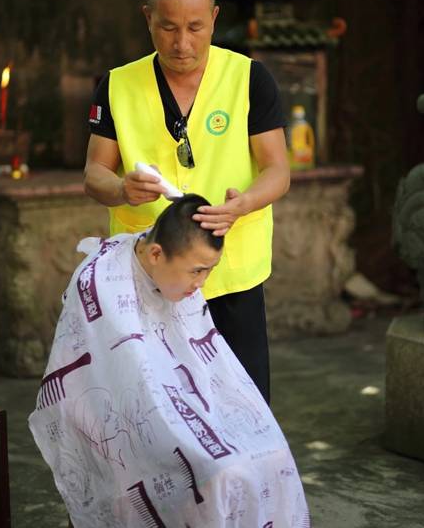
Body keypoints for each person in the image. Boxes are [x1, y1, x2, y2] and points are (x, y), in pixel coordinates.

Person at [29, 196, 310, 528]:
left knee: (273, 452)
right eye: (197, 271)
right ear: (156, 254)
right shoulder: (100, 282)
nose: (201, 284)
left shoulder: (176, 278)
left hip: (179, 403)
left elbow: (204, 363)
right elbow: (122, 380)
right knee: (222, 472)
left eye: (209, 270)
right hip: (126, 418)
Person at [84, 0, 289, 403]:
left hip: (230, 273)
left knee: (244, 403)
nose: (182, 43)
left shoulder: (250, 79)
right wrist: (120, 189)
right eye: (168, 27)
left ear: (214, 17)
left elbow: (277, 170)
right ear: (148, 18)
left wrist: (244, 203)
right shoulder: (116, 85)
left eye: (196, 27)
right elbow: (94, 173)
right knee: (158, 408)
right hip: (149, 275)